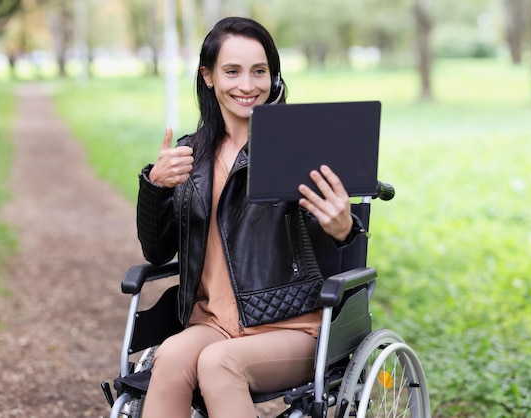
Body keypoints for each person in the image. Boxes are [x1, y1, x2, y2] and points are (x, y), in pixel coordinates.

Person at [136, 16, 364, 418]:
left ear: (273, 76)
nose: (247, 85)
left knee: (218, 362)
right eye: (232, 71)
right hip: (214, 322)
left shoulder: (299, 148)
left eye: (260, 71)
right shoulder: (192, 156)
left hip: (292, 326)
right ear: (208, 77)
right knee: (170, 355)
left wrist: (341, 226)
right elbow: (157, 253)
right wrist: (156, 186)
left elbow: (338, 240)